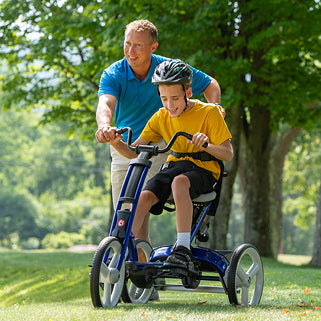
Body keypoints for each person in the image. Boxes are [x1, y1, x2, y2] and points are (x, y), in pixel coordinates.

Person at [95, 19, 224, 242]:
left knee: (141, 207)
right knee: (124, 214)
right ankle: (129, 264)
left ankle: (147, 259)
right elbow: (105, 103)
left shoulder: (168, 69)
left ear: (153, 47)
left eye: (138, 45)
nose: (130, 51)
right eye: (127, 44)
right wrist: (105, 127)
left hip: (162, 145)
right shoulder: (113, 73)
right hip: (126, 145)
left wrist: (214, 109)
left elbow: (210, 84)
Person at [109, 60, 233, 266]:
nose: (170, 105)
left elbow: (228, 154)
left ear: (189, 92)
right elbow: (133, 152)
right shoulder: (160, 117)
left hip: (205, 169)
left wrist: (207, 145)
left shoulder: (209, 112)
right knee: (145, 195)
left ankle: (182, 247)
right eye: (164, 98)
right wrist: (116, 142)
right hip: (175, 166)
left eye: (175, 98)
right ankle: (121, 246)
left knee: (179, 182)